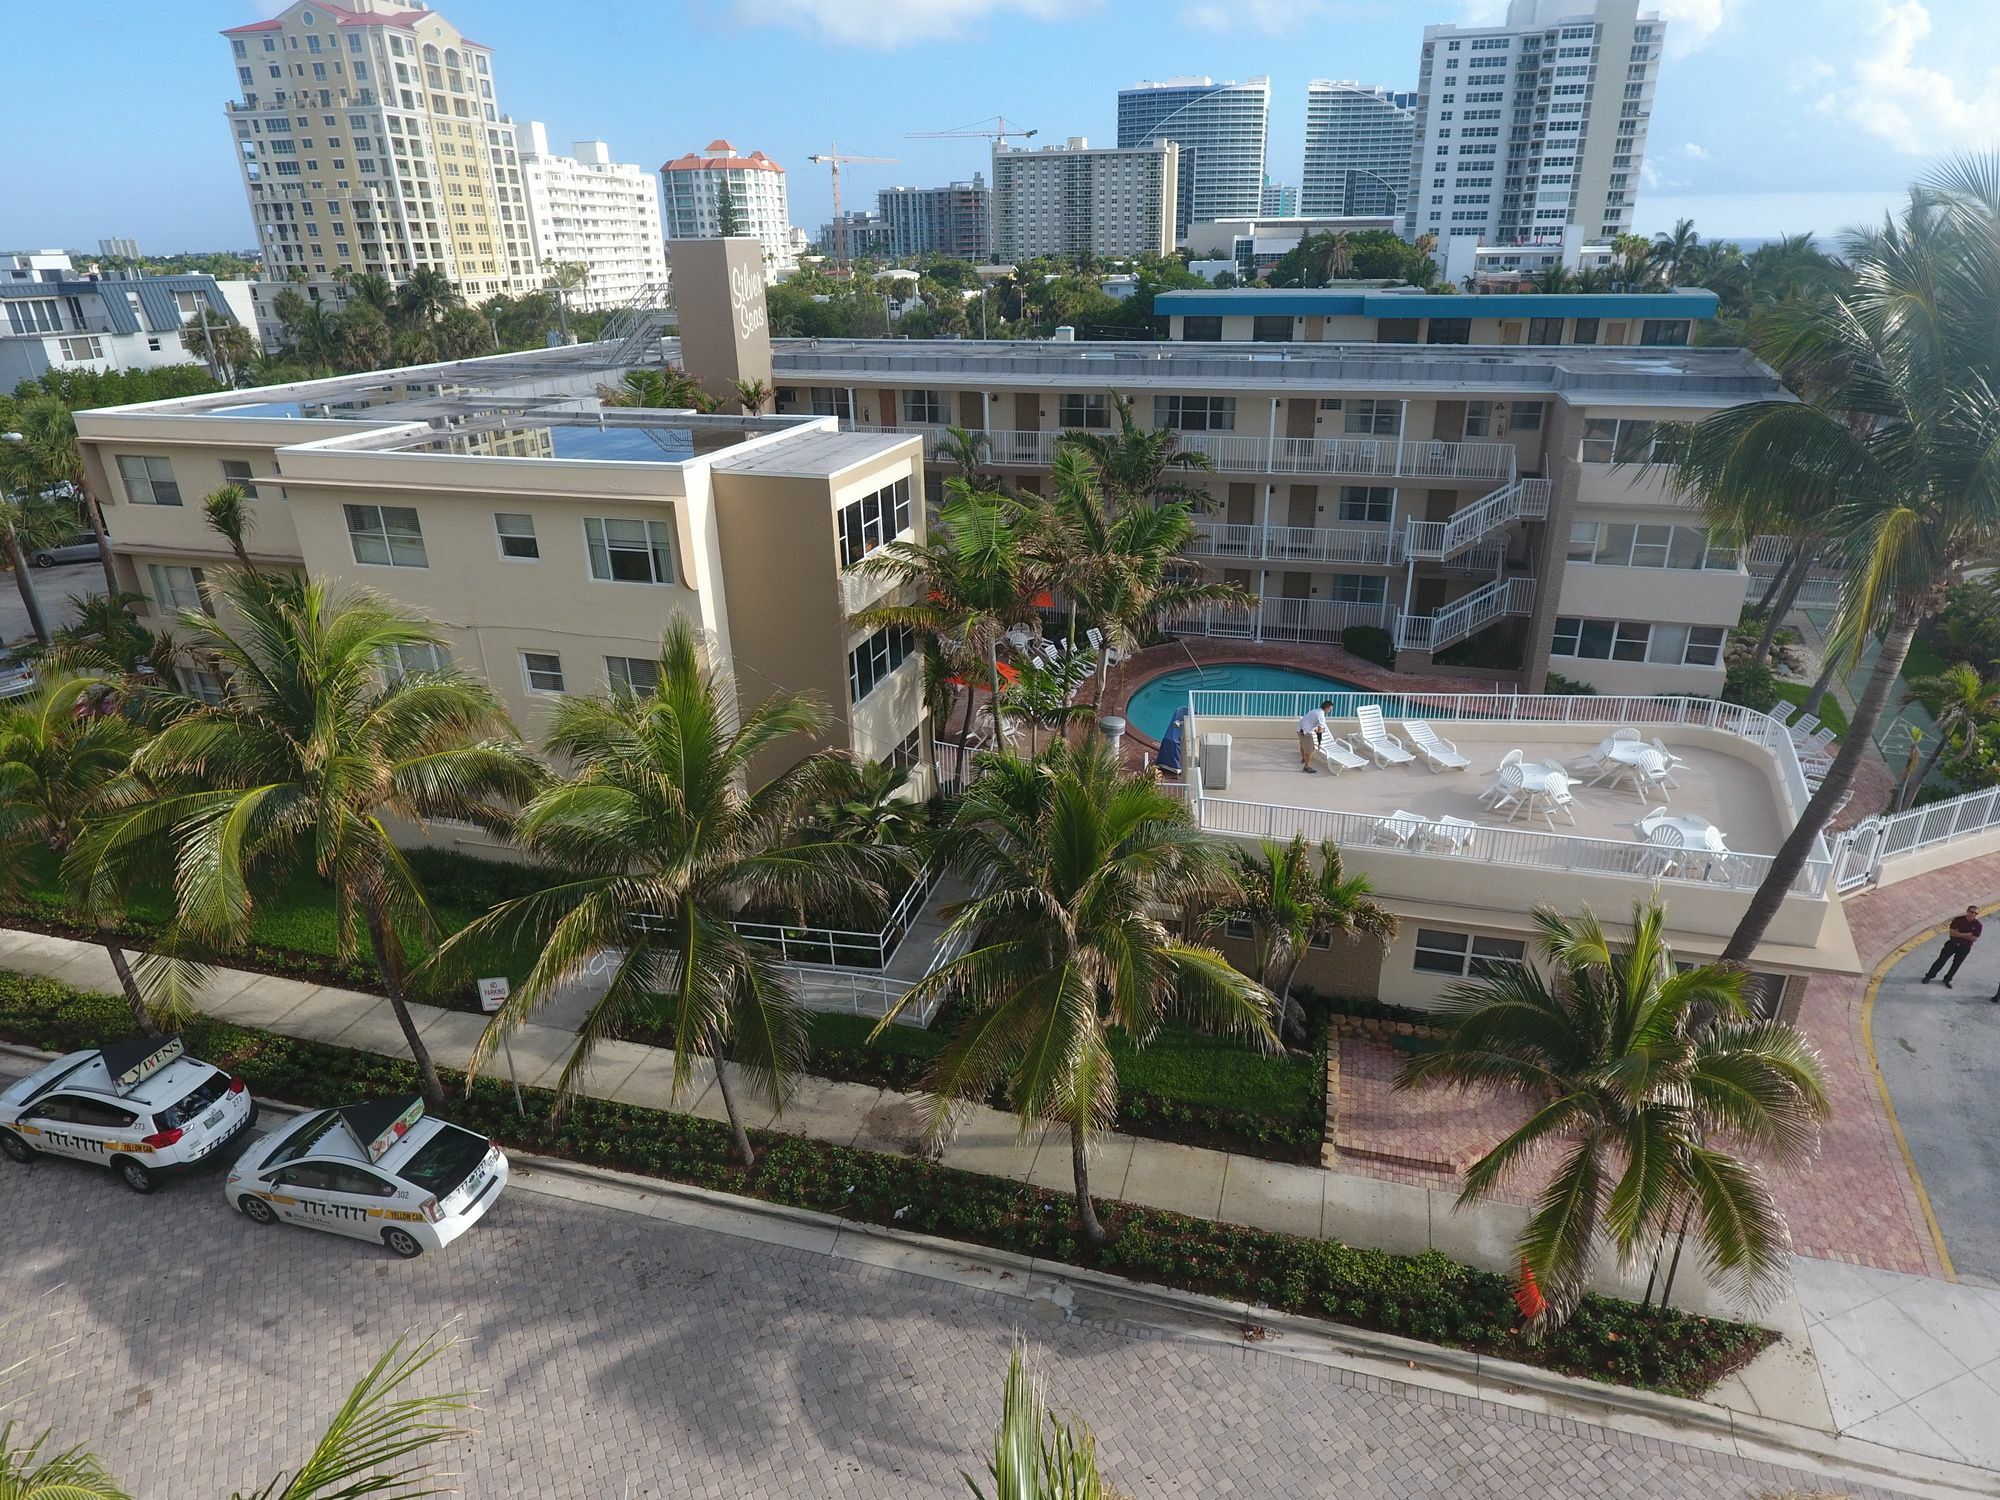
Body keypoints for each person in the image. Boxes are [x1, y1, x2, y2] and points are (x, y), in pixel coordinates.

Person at [1922, 905, 1984, 988]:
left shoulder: (1978, 925)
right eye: (1971, 912)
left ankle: (1947, 979)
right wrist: (1967, 934)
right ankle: (1929, 976)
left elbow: (1974, 938)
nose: (1973, 914)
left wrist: (1959, 934)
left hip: (1965, 947)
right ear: (1967, 911)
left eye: (1975, 913)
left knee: (1956, 964)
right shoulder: (1958, 920)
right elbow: (1952, 933)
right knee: (1941, 960)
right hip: (1952, 943)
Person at [1298, 699, 1333, 773]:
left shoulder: (1315, 711)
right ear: (1328, 708)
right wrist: (1319, 742)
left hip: (1299, 729)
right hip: (1305, 732)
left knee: (1303, 746)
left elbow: (1309, 721)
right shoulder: (1321, 715)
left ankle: (1304, 758)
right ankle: (1306, 767)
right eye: (1330, 709)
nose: (1330, 710)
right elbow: (1320, 730)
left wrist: (1314, 729)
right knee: (1310, 750)